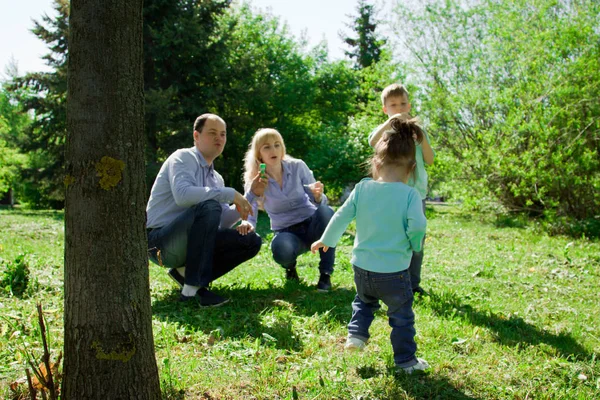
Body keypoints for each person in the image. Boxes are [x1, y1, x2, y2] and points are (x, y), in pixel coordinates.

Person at [311, 118, 430, 373]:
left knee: (364, 302)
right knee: (401, 317)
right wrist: (414, 243)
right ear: (411, 168)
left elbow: (341, 215)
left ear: (376, 163)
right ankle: (406, 361)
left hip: (362, 268)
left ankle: (356, 335)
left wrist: (326, 240)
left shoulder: (363, 188)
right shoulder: (410, 195)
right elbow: (418, 225)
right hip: (394, 272)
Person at [146, 113, 262, 307]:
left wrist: (250, 195)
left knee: (251, 241)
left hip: (188, 241)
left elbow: (220, 221)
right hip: (160, 243)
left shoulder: (216, 178)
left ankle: (183, 274)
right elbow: (183, 195)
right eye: (212, 133)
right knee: (209, 204)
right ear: (196, 136)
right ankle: (192, 292)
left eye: (223, 134)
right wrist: (230, 193)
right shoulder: (182, 157)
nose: (219, 138)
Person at [243, 128, 335, 292]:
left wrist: (318, 196)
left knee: (327, 212)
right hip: (287, 232)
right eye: (267, 147)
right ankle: (290, 268)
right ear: (259, 155)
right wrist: (248, 222)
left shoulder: (297, 166)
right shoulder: (256, 179)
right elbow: (250, 206)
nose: (274, 150)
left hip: (311, 223)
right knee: (281, 248)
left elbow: (319, 200)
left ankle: (325, 274)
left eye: (277, 145)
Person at [368, 83, 435, 295]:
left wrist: (421, 137)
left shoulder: (419, 131)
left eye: (403, 104)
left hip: (416, 193)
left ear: (410, 105)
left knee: (416, 238)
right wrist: (389, 123)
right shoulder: (386, 130)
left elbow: (430, 160)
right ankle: (389, 279)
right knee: (392, 236)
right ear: (385, 109)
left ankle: (413, 283)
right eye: (393, 105)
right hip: (390, 194)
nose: (399, 109)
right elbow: (372, 141)